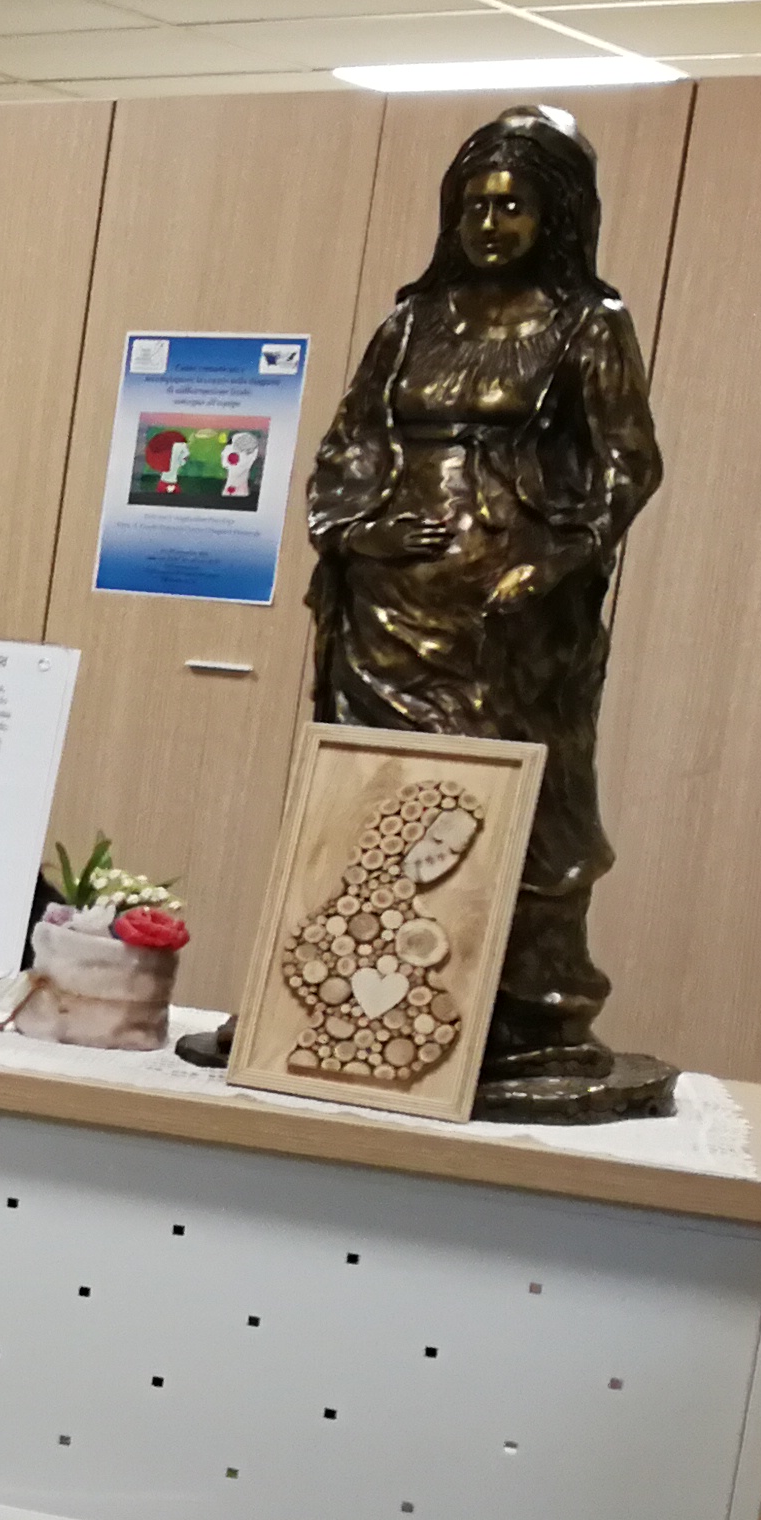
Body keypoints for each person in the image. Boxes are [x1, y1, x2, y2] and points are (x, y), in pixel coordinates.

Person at [298, 101, 666, 1117]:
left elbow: (626, 466)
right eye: (474, 206)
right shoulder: (410, 323)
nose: (490, 225)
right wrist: (363, 530)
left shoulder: (588, 324)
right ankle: (347, 992)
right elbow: (347, 445)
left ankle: (529, 1019)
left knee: (520, 806)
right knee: (373, 799)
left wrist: (547, 564)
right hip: (387, 600)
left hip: (510, 617)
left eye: (511, 206)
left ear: (553, 216)